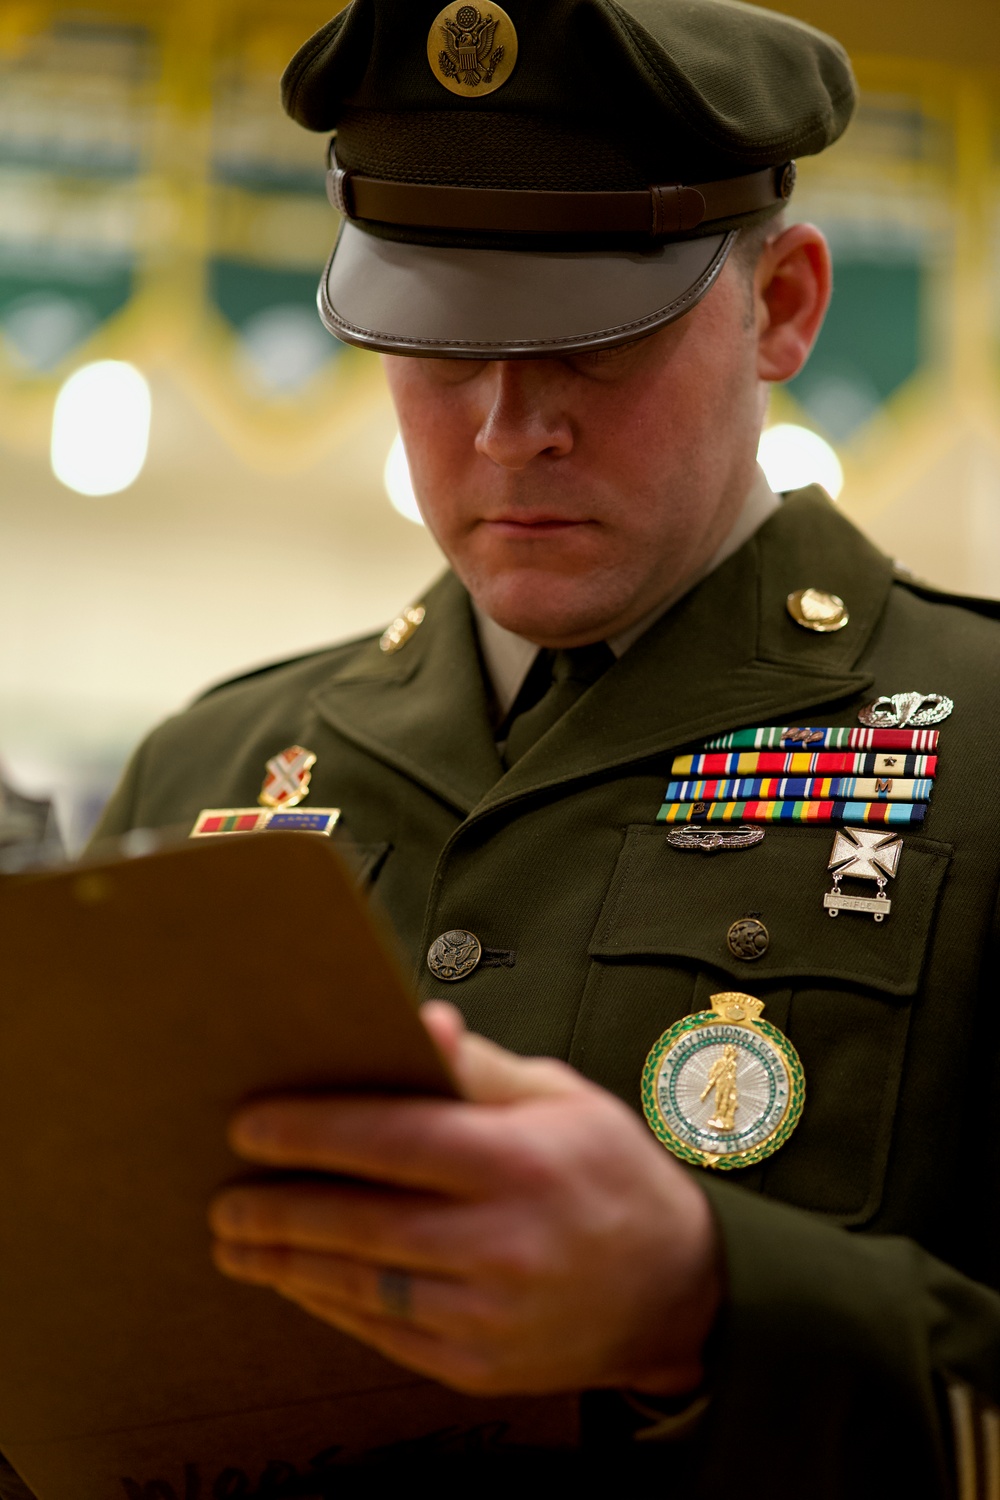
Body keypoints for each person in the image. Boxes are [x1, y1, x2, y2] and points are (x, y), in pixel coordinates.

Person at [77, 0, 1000, 1494]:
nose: (511, 426)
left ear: (784, 307)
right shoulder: (213, 768)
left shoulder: (987, 749)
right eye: (440, 344)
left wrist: (708, 1304)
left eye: (597, 340)